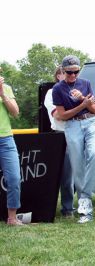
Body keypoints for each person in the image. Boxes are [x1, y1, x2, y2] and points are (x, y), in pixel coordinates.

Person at [52, 55, 95, 224]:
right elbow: (62, 115)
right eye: (69, 72)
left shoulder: (85, 83)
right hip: (72, 126)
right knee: (77, 167)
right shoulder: (58, 89)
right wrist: (81, 105)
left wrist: (82, 99)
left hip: (90, 122)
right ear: (63, 70)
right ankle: (85, 210)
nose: (73, 75)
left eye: (76, 72)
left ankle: (86, 197)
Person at [44, 66, 74, 218]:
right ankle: (67, 208)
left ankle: (81, 204)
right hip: (62, 134)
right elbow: (58, 115)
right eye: (63, 73)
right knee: (67, 175)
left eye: (70, 73)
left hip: (79, 132)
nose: (67, 75)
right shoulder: (51, 93)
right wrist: (78, 109)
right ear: (57, 76)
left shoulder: (78, 90)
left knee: (94, 162)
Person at [0, 69, 24, 226]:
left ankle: (12, 219)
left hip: (6, 140)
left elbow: (15, 112)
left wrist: (2, 93)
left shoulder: (6, 88)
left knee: (14, 179)